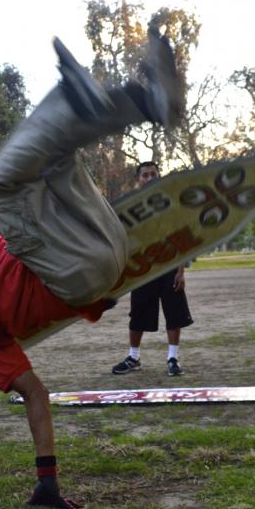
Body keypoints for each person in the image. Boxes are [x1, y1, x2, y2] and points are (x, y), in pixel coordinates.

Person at [0, 27, 181, 509]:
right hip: (81, 277)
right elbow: (33, 393)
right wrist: (47, 480)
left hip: (103, 239)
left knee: (53, 156)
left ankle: (140, 101)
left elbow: (38, 226)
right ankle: (79, 100)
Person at [111, 161, 194, 377]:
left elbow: (181, 238)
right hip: (144, 269)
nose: (150, 178)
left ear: (159, 175)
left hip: (169, 266)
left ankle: (173, 358)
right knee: (138, 313)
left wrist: (181, 270)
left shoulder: (171, 205)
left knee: (174, 314)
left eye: (153, 174)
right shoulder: (132, 207)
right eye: (145, 175)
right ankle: (134, 357)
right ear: (138, 179)